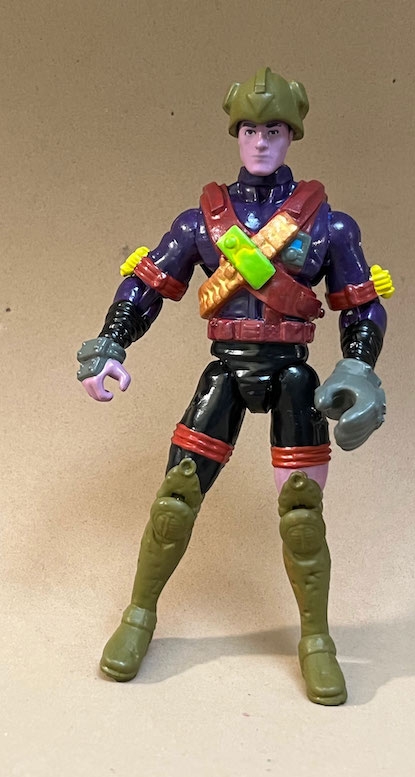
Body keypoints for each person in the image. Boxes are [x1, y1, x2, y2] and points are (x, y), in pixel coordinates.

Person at [77, 67, 392, 705]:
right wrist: (110, 342)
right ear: (236, 135)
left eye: (273, 130)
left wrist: (359, 366)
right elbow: (148, 284)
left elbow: (361, 305)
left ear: (291, 134)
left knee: (302, 515)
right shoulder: (202, 221)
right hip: (224, 369)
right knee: (175, 499)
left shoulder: (328, 225)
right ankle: (138, 615)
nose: (260, 142)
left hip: (294, 374)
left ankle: (317, 640)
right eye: (249, 129)